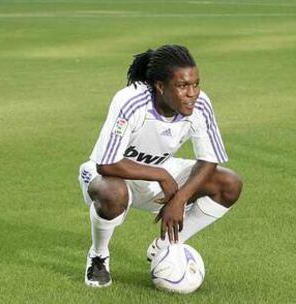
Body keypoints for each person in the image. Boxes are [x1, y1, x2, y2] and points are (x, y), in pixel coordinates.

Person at [78, 45, 242, 287]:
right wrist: (162, 175)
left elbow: (209, 160)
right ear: (160, 86)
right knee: (112, 193)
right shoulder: (131, 101)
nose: (192, 93)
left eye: (196, 84)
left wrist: (179, 199)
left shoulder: (200, 104)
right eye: (182, 86)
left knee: (229, 183)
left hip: (159, 176)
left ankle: (167, 245)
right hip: (114, 176)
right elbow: (106, 163)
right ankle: (99, 256)